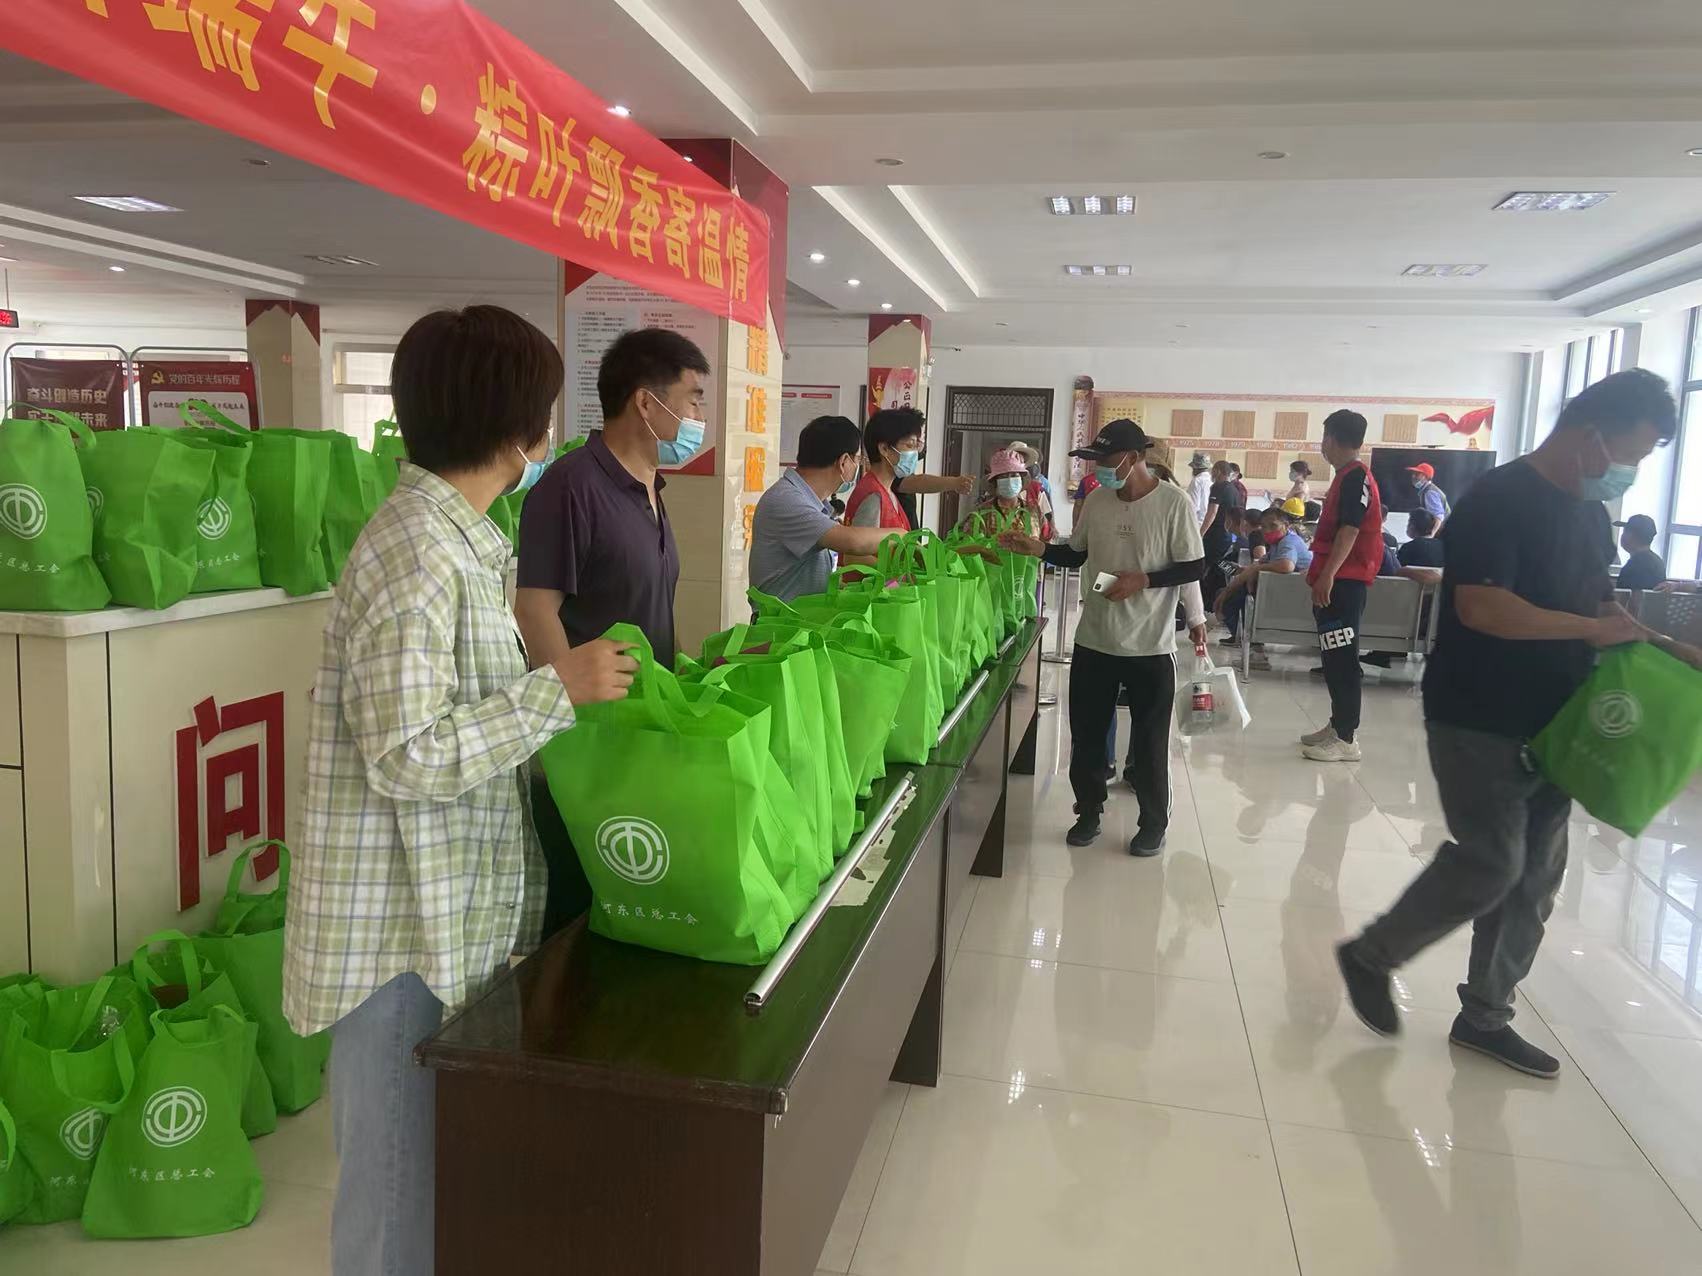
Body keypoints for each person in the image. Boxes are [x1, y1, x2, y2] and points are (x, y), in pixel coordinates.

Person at [283, 306, 640, 1276]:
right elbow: (405, 753)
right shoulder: (417, 555)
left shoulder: (466, 541)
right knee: (396, 1194)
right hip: (403, 938)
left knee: (433, 1178)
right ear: (518, 427)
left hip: (447, 918)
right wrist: (555, 690)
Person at [1337, 368, 1702, 1078]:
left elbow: (1596, 606)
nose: (1633, 469)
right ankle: (1372, 955)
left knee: (1535, 878)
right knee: (1493, 860)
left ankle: (1485, 1017)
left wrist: (1655, 643)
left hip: (1559, 718)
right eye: (1635, 451)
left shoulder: (1590, 515)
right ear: (1592, 434)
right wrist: (1586, 629)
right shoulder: (1499, 499)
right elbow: (1482, 607)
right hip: (1478, 713)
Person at [999, 419, 1206, 856]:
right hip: (1095, 639)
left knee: (1150, 743)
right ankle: (1088, 811)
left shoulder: (1173, 503)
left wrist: (1144, 580)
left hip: (1150, 646)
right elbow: (1076, 555)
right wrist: (1038, 548)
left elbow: (1194, 567)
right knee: (1088, 738)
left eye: (1106, 460)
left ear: (1134, 458)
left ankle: (1153, 822)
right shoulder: (1096, 500)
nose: (1100, 470)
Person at [515, 327, 708, 672]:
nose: (700, 418)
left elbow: (651, 607)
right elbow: (534, 612)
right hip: (595, 706)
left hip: (647, 701)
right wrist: (568, 699)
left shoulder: (650, 487)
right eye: (694, 402)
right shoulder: (570, 486)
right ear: (646, 403)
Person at [1299, 410, 1384, 762]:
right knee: (1333, 657)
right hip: (1337, 579)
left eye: (1324, 437)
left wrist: (1329, 575)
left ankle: (1346, 738)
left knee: (1343, 659)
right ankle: (1338, 725)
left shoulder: (1356, 477)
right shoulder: (1347, 476)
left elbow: (1350, 529)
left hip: (1345, 582)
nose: (1322, 445)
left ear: (1331, 438)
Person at [749, 415, 898, 600]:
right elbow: (852, 541)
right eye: (858, 460)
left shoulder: (813, 503)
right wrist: (900, 535)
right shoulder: (787, 500)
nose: (858, 468)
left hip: (804, 614)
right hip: (781, 618)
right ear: (844, 462)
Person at [1216, 502, 1313, 642]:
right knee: (1231, 592)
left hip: (1297, 596)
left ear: (1286, 525)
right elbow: (1259, 563)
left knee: (1236, 596)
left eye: (1273, 526)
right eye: (1264, 527)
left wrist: (1254, 570)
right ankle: (1241, 635)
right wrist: (1242, 574)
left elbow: (1286, 566)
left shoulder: (1288, 541)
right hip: (1284, 592)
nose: (1267, 531)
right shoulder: (1276, 544)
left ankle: (1244, 638)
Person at [962, 447, 1054, 540]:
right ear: (995, 482)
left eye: (1014, 475)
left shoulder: (1033, 511)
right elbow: (967, 543)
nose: (1010, 480)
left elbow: (1046, 540)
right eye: (1004, 476)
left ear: (1021, 480)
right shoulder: (982, 513)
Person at [1615, 513, 1666, 590]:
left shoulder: (1634, 566)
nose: (1622, 536)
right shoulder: (1658, 561)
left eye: (1625, 531)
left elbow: (1631, 595)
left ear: (1634, 536)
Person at [1187, 451, 1212, 524]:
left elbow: (1193, 506)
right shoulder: (1212, 480)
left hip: (1197, 523)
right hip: (1208, 522)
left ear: (1195, 468)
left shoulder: (1196, 481)